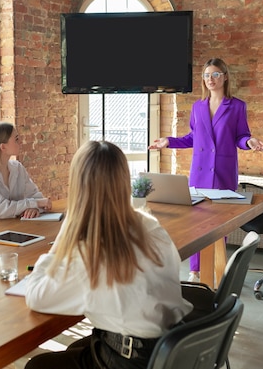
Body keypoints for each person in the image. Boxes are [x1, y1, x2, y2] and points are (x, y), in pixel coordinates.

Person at [24, 140, 192, 369]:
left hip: (130, 360)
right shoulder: (151, 226)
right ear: (124, 180)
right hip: (169, 348)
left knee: (39, 365)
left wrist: (64, 237)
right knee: (75, 349)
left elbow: (36, 296)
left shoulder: (91, 254)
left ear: (78, 188)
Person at [148, 58, 263, 282]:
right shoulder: (197, 107)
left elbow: (241, 136)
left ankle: (215, 269)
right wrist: (169, 141)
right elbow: (193, 137)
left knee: (219, 225)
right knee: (197, 224)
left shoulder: (237, 106)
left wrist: (249, 142)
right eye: (206, 75)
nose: (210, 79)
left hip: (223, 171)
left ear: (225, 77)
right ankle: (194, 271)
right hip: (200, 172)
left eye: (214, 75)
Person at [0, 122, 52, 222]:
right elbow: (0, 210)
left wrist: (33, 209)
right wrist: (35, 203)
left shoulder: (18, 168)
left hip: (11, 228)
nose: (21, 141)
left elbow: (35, 196)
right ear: (3, 147)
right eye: (16, 139)